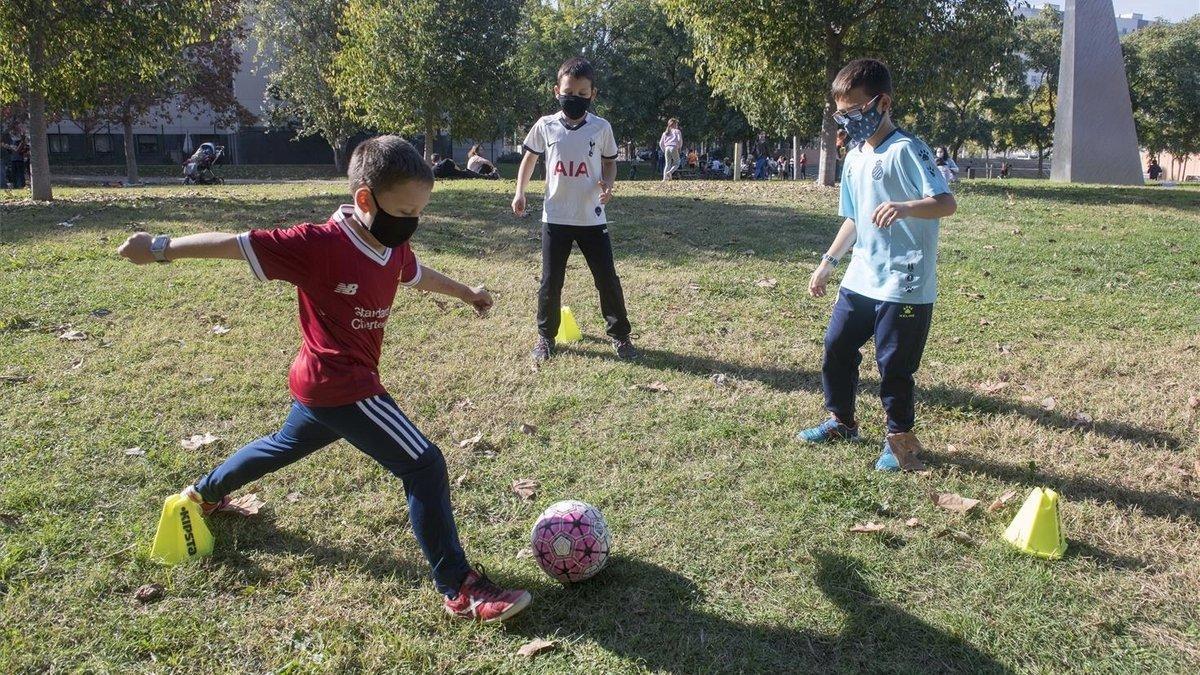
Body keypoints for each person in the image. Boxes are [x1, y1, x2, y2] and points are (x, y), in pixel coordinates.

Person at [115, 135, 532, 623]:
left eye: (420, 212)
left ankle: (201, 494)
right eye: (404, 211)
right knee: (424, 464)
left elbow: (418, 274)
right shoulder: (317, 245)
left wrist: (468, 293)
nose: (411, 224)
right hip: (343, 386)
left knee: (281, 445)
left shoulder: (391, 245)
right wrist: (159, 247)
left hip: (315, 385)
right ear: (365, 200)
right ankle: (460, 589)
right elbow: (235, 245)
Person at [797, 58, 956, 473]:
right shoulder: (852, 157)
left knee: (894, 366)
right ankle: (841, 421)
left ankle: (899, 441)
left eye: (854, 111)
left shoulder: (908, 149)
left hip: (905, 281)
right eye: (841, 113)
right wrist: (828, 262)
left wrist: (904, 208)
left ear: (882, 103)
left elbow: (946, 203)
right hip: (862, 276)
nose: (847, 120)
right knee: (837, 347)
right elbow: (854, 216)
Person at [512, 56, 637, 364]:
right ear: (557, 90)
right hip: (555, 217)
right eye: (569, 92)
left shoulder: (601, 127)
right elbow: (529, 159)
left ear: (592, 95)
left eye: (583, 94)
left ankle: (620, 335)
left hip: (591, 217)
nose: (575, 98)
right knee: (551, 280)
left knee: (606, 277)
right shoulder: (545, 125)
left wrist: (608, 184)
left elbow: (609, 162)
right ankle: (545, 337)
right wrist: (520, 192)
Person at [3, 124, 29, 190]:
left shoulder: (21, 140)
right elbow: (11, 151)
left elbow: (19, 150)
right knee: (14, 173)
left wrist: (13, 148)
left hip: (20, 159)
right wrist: (8, 148)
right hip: (13, 159)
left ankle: (22, 185)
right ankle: (15, 186)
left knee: (20, 173)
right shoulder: (12, 141)